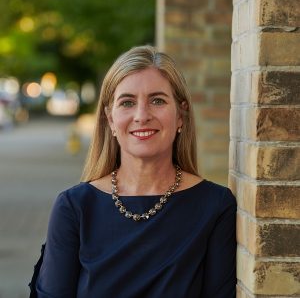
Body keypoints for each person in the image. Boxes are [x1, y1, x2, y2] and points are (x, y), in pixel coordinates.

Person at [29, 45, 237, 297]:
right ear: (110, 119)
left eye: (157, 100)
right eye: (127, 102)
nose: (141, 115)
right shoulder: (75, 207)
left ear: (181, 115)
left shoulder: (215, 206)